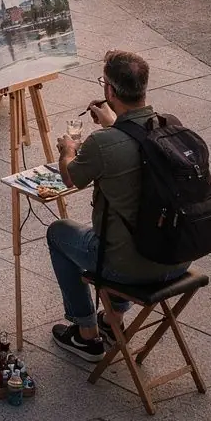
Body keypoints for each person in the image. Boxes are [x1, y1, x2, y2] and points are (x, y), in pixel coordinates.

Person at [48, 49, 187, 359]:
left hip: (130, 269)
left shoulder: (103, 143)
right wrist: (115, 122)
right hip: (178, 258)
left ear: (109, 90)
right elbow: (135, 142)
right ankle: (114, 322)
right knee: (128, 228)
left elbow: (70, 178)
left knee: (58, 232)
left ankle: (87, 334)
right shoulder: (170, 125)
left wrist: (68, 149)